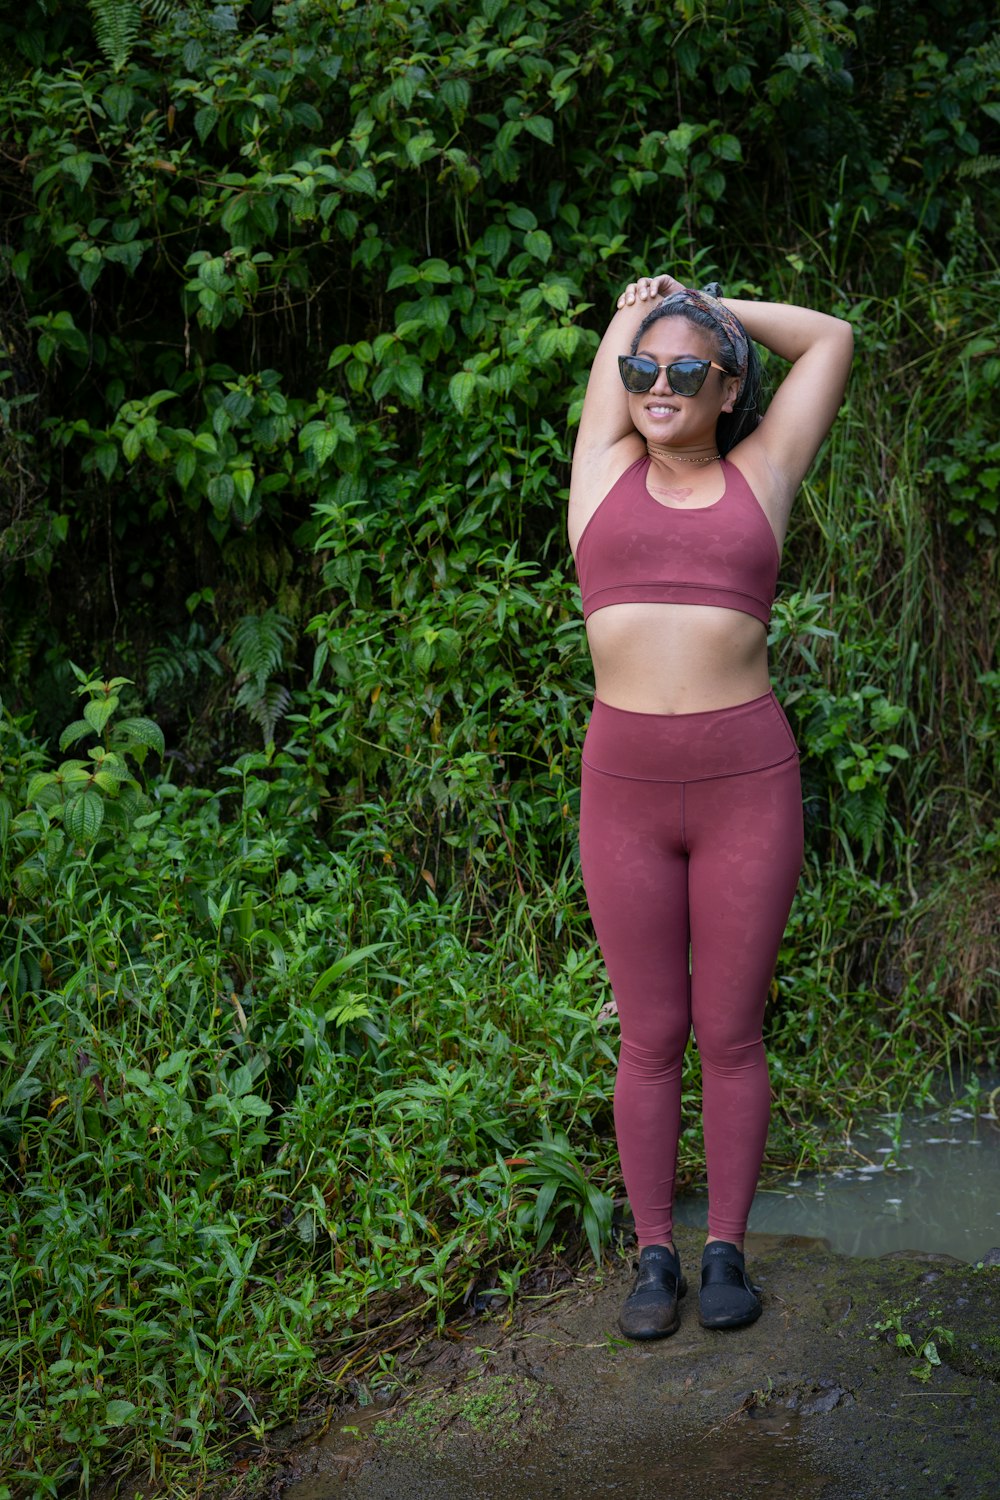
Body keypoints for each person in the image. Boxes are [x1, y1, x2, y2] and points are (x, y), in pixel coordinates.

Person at [568, 272, 853, 1338]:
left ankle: (725, 1249)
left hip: (746, 786)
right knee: (651, 1033)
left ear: (728, 387)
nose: (656, 382)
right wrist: (635, 315)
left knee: (729, 1033)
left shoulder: (763, 471)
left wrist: (704, 297)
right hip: (625, 789)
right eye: (643, 367)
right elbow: (618, 357)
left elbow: (829, 338)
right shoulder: (598, 472)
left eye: (685, 369)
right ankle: (653, 1257)